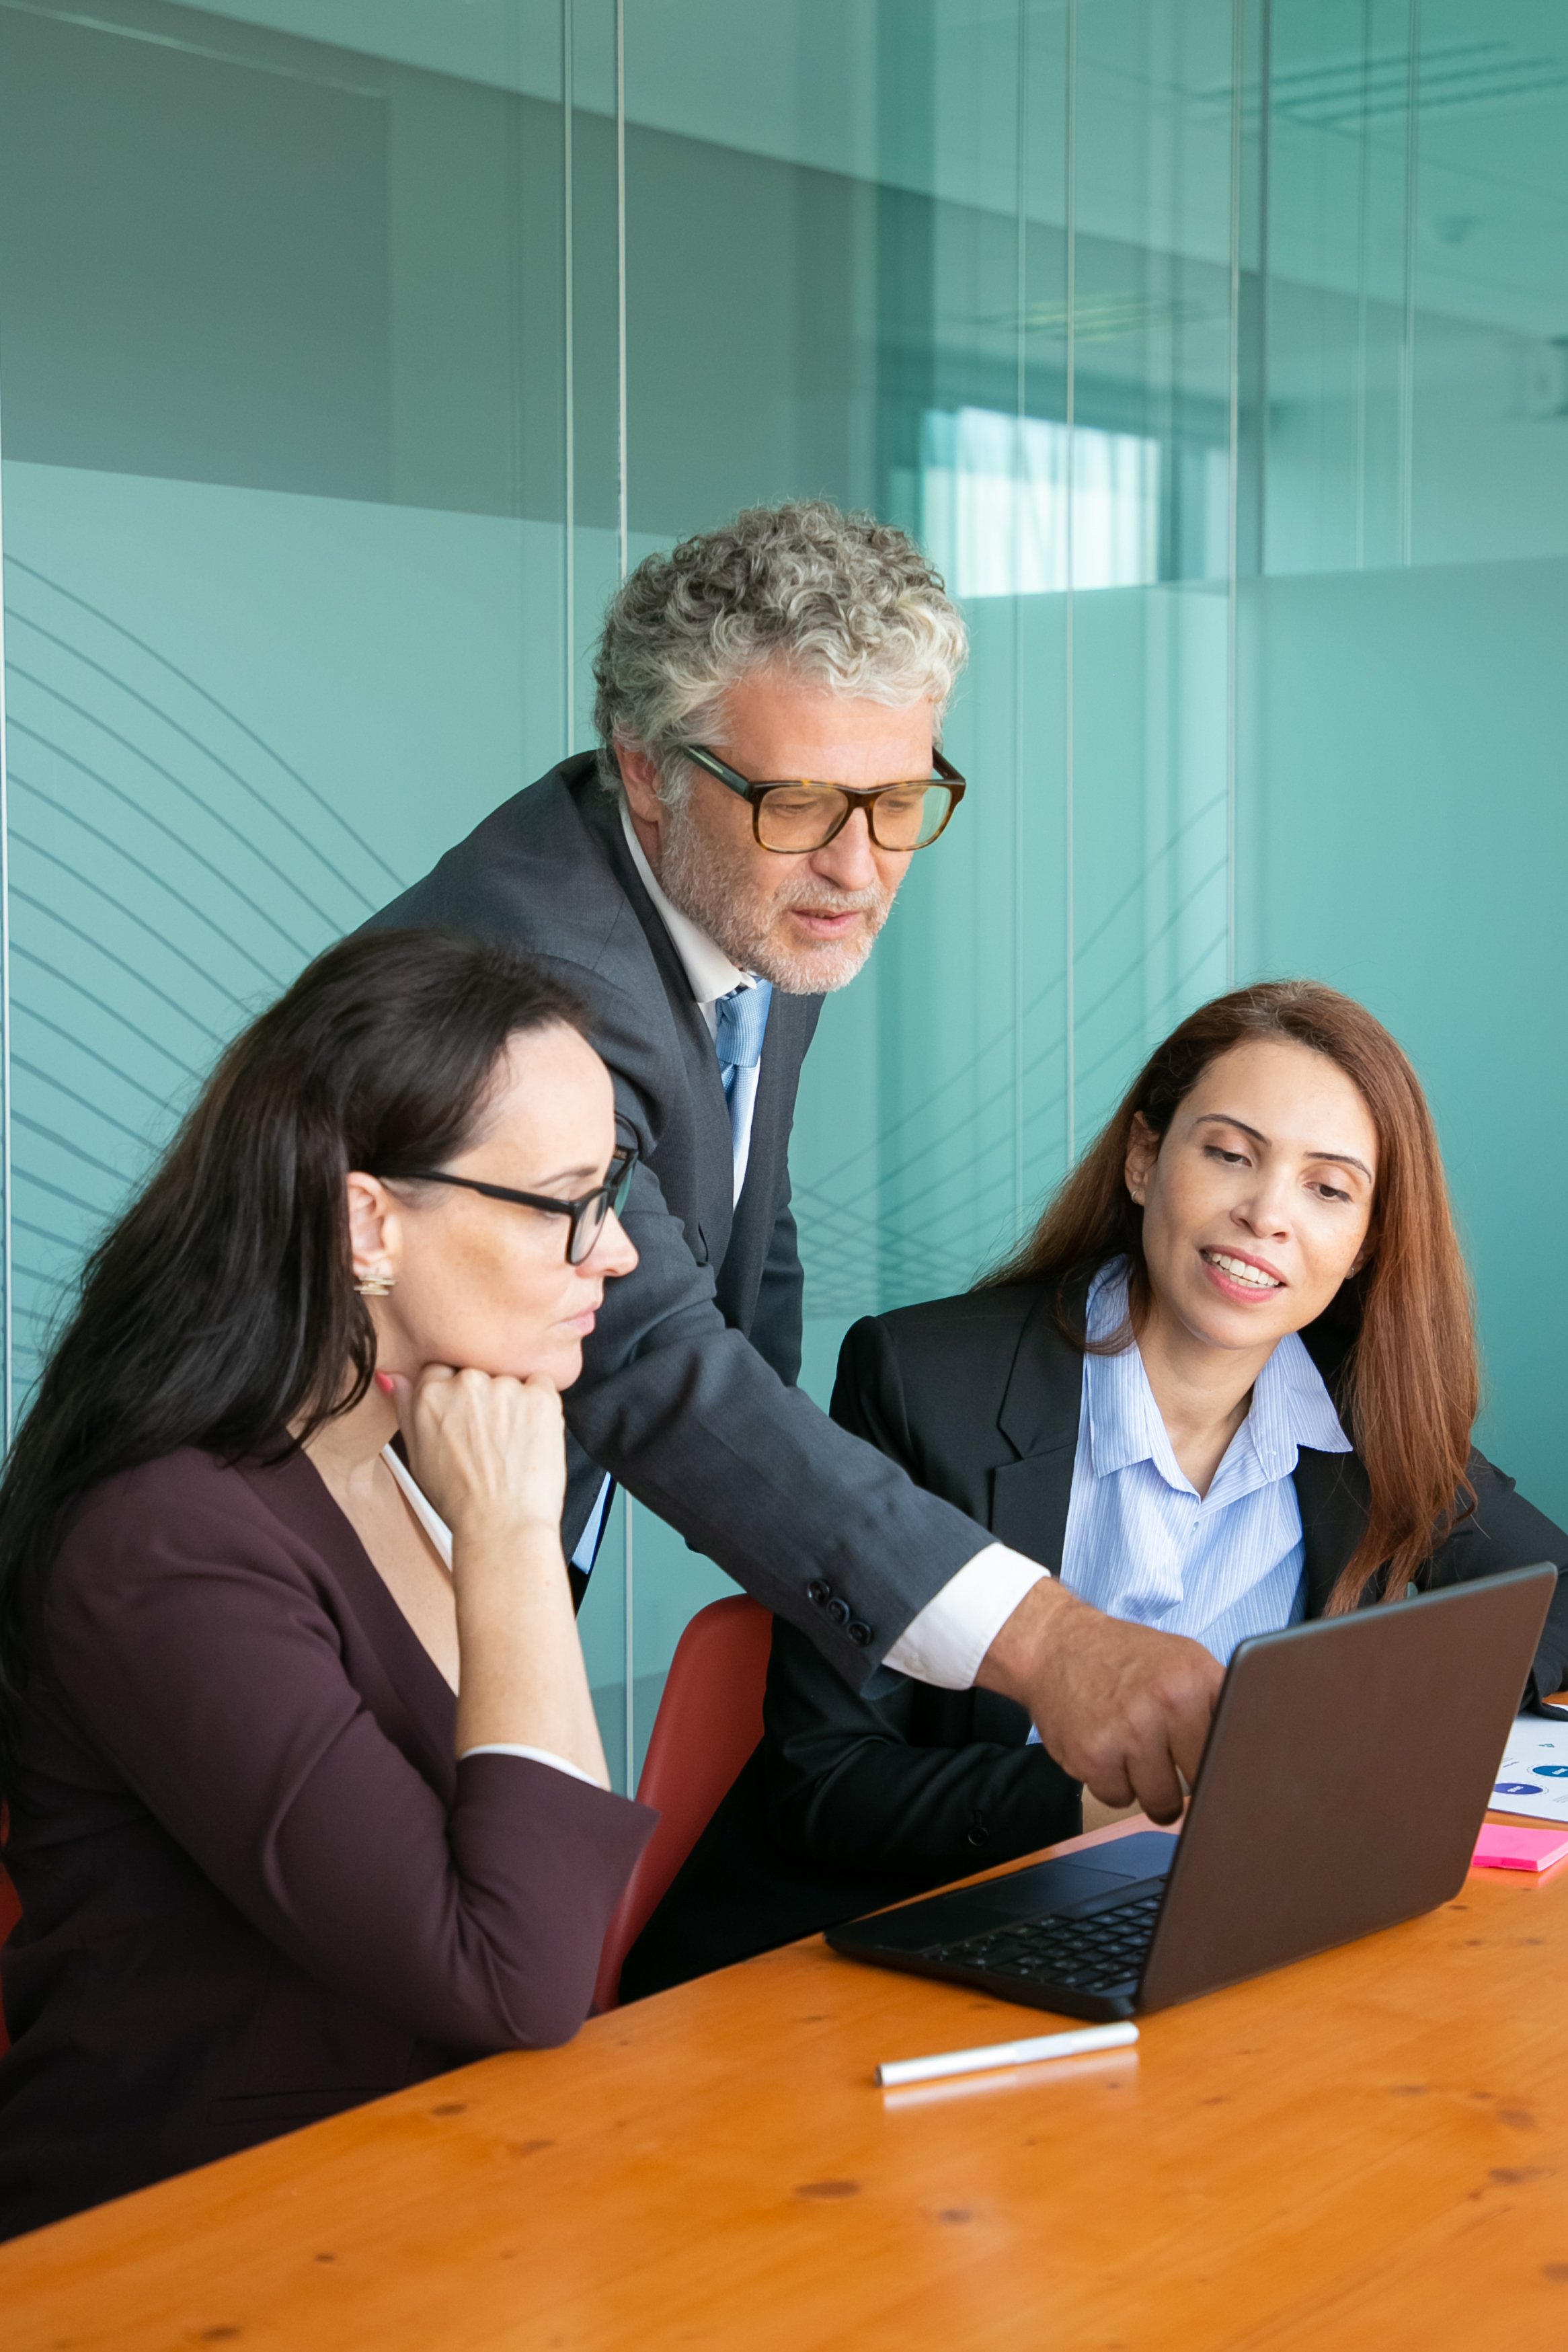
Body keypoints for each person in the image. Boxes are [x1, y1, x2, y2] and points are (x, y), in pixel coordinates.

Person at [373, 500, 1222, 1825]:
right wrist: (1045, 1642)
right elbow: (653, 1355)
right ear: (646, 767)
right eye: (804, 804)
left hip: (487, 1549)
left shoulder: (749, 880)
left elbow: (732, 1246)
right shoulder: (543, 988)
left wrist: (810, 1537)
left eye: (897, 800)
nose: (858, 867)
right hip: (300, 1575)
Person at [621, 980, 1568, 1996]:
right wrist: (1118, 1798)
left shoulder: (1364, 1417)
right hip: (872, 1959)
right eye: (1230, 1154)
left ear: (1369, 1240)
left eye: (1328, 1189)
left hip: (1191, 1933)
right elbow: (830, 1784)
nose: (1266, 1215)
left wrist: (1343, 1743)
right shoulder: (928, 1380)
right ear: (1144, 1158)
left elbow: (1549, 1605)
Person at [0, 930, 657, 2238]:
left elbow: (554, 1914)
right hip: (182, 2253)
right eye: (569, 1202)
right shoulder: (165, 1541)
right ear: (368, 1221)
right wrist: (519, 1542)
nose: (619, 1252)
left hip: (436, 2195)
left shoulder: (403, 1453)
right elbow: (524, 1974)